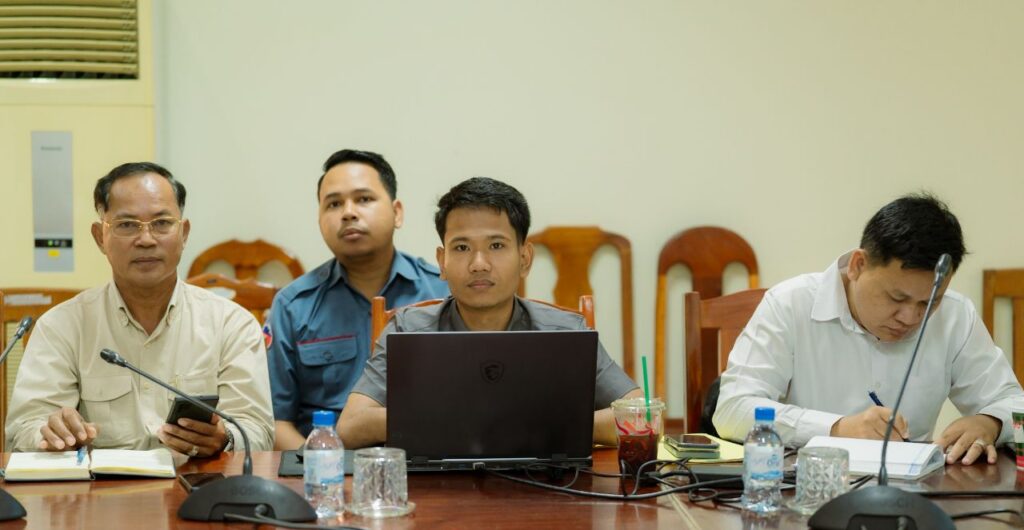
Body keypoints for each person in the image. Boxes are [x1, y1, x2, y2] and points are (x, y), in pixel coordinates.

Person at [714, 193, 1024, 466]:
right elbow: (732, 409)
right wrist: (836, 428)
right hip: (806, 492)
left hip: (913, 495)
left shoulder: (955, 316)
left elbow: (1013, 402)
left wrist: (991, 422)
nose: (910, 317)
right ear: (858, 265)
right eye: (897, 298)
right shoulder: (789, 304)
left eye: (929, 302)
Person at [338, 176, 641, 449]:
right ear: (442, 262)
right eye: (461, 248)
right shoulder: (407, 331)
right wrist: (468, 420)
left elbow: (642, 417)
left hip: (544, 486)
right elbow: (351, 427)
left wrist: (540, 424)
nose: (479, 264)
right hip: (438, 488)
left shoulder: (567, 331)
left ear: (525, 259)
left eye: (496, 245)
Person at [5, 162, 274, 455]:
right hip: (101, 484)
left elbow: (257, 432)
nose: (146, 239)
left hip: (199, 482)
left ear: (184, 233)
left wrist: (226, 439)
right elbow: (22, 431)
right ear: (100, 237)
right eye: (127, 225)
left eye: (161, 223)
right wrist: (50, 435)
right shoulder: (62, 326)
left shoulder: (231, 324)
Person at [266, 149, 448, 449]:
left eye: (364, 199)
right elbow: (276, 423)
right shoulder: (293, 305)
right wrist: (321, 466)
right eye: (334, 204)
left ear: (397, 212)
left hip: (426, 461)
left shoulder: (443, 292)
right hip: (324, 465)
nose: (348, 213)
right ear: (319, 219)